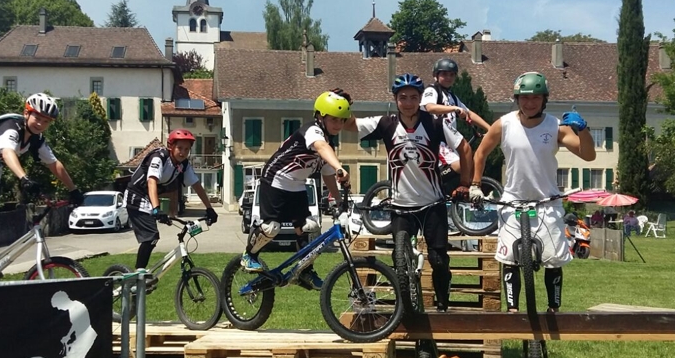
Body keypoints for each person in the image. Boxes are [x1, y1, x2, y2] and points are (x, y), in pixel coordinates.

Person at [343, 74, 473, 311]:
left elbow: (464, 148)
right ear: (396, 99)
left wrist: (465, 182)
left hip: (432, 204)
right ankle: (405, 303)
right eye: (403, 97)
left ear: (421, 98)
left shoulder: (435, 123)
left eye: (414, 97)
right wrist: (343, 105)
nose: (409, 102)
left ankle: (442, 303)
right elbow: (350, 125)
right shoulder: (386, 124)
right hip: (401, 206)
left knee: (438, 259)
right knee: (399, 257)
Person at [471, 72, 596, 313]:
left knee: (554, 258)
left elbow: (588, 155)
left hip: (546, 201)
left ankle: (553, 308)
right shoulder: (504, 124)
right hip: (513, 200)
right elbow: (481, 153)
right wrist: (476, 184)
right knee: (509, 258)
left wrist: (583, 130)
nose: (530, 103)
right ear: (517, 99)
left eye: (536, 98)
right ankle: (513, 310)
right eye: (525, 98)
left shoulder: (556, 126)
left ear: (544, 99)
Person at [0, 93, 83, 266]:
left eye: (46, 121)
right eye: (37, 118)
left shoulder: (36, 139)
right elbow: (7, 152)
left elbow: (54, 164)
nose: (40, 124)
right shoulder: (11, 128)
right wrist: (24, 178)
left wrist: (74, 190)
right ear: (26, 113)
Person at [240, 90, 352, 290]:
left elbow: (327, 175)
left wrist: (338, 201)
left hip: (297, 186)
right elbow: (321, 147)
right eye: (333, 119)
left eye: (342, 120)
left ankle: (304, 271)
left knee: (308, 227)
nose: (338, 124)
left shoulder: (329, 144)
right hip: (275, 180)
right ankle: (249, 255)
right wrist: (339, 167)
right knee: (271, 228)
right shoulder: (312, 131)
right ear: (320, 117)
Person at [126, 129, 219, 280]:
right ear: (171, 146)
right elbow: (152, 182)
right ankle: (139, 274)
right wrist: (156, 209)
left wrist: (210, 208)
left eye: (187, 149)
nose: (183, 152)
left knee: (156, 234)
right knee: (151, 236)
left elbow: (197, 186)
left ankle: (143, 276)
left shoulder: (183, 165)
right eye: (180, 148)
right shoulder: (159, 157)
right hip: (136, 196)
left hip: (149, 198)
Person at [420, 58, 491, 184]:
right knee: (459, 165)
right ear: (436, 75)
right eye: (444, 74)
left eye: (452, 74)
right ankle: (429, 184)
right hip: (436, 141)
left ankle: (457, 191)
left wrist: (490, 129)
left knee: (469, 165)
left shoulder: (451, 96)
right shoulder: (432, 90)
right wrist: (454, 108)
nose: (449, 77)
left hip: (450, 142)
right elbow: (430, 107)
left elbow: (469, 114)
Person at [51, 290, 97, 358]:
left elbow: (78, 324)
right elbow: (75, 325)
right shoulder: (73, 307)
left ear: (62, 301)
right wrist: (68, 336)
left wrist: (69, 337)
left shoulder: (76, 307)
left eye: (58, 306)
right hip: (81, 336)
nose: (59, 308)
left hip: (85, 336)